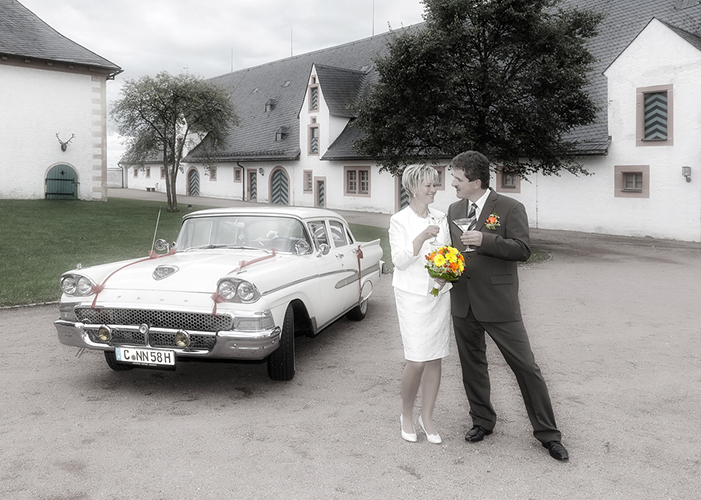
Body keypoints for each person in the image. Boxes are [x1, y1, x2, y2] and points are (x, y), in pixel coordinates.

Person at [447, 151, 569, 461]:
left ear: (476, 181)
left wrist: (484, 240)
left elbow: (523, 249)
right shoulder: (452, 209)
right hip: (463, 302)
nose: (453, 184)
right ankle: (482, 421)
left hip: (499, 304)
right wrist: (446, 266)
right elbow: (453, 252)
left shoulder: (511, 207)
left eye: (458, 179)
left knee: (526, 367)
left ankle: (548, 434)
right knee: (472, 367)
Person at [389, 164, 452, 444]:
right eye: (428, 185)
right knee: (416, 360)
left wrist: (445, 277)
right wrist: (421, 237)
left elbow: (448, 255)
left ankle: (427, 417)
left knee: (435, 356)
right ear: (413, 187)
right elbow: (400, 261)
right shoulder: (399, 220)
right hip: (411, 295)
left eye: (435, 184)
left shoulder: (442, 216)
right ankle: (405, 414)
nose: (434, 190)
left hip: (438, 294)